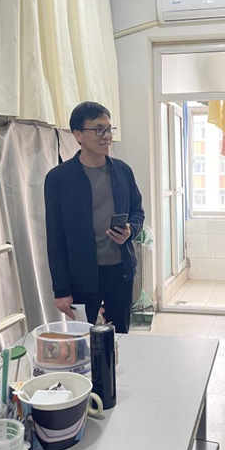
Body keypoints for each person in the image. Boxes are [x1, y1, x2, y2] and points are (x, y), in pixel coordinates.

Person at [45, 101, 144, 333]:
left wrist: (131, 229)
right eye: (98, 129)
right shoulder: (59, 178)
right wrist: (61, 290)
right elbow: (55, 236)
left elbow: (138, 211)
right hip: (81, 275)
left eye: (109, 129)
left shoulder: (123, 171)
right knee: (82, 339)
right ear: (78, 135)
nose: (106, 136)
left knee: (120, 336)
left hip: (120, 272)